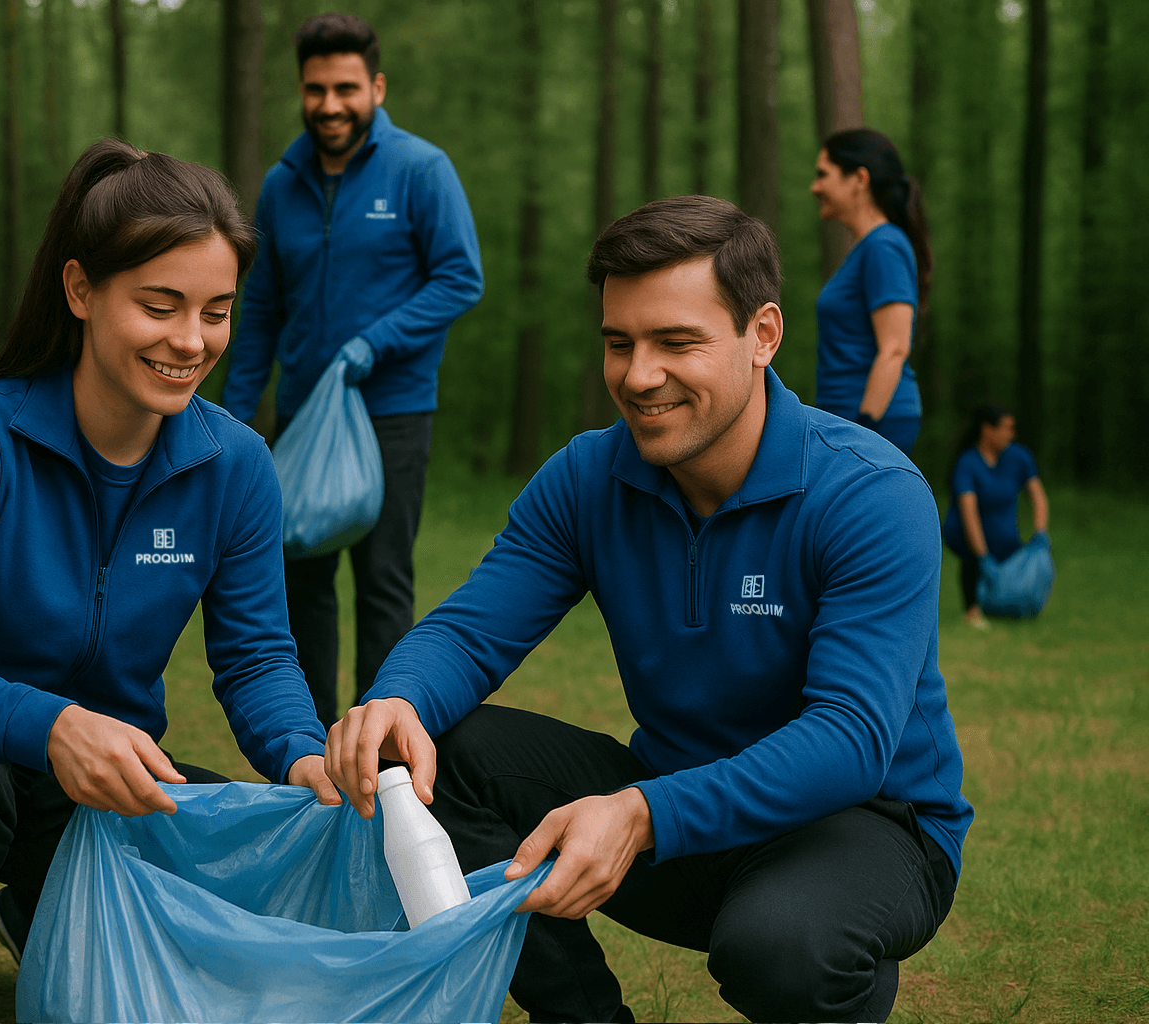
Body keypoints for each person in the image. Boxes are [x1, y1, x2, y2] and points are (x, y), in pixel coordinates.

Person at [326, 196, 972, 1023]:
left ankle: (825, 956)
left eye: (676, 342)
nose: (637, 376)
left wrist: (642, 813)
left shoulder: (870, 494)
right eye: (619, 343)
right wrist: (398, 698)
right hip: (679, 815)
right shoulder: (588, 479)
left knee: (782, 947)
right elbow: (470, 629)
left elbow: (850, 740)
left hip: (862, 823)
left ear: (762, 335)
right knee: (434, 754)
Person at [0, 139, 339, 1024]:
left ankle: (41, 909)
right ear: (80, 290)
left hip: (103, 779)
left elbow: (257, 657)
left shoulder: (238, 463)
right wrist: (54, 724)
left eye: (217, 312)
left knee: (226, 853)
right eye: (159, 306)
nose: (191, 341)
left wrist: (303, 754)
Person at [219, 12, 484, 727]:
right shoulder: (282, 184)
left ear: (377, 87)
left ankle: (381, 749)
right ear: (301, 91)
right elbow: (262, 308)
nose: (329, 105)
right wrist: (234, 417)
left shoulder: (420, 170)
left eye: (345, 88)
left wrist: (375, 342)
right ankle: (307, 749)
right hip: (301, 420)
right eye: (316, 89)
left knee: (382, 584)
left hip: (391, 414)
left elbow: (460, 277)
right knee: (297, 585)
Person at [810, 127, 932, 457]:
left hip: (873, 420)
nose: (814, 187)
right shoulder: (869, 247)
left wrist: (864, 430)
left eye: (823, 174)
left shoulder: (883, 246)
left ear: (859, 179)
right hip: (849, 417)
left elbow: (894, 348)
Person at [941, 404, 1049, 630]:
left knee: (1012, 573)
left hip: (1005, 532)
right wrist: (982, 555)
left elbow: (1038, 496)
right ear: (987, 430)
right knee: (973, 559)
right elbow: (968, 512)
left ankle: (1006, 606)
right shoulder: (968, 462)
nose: (1011, 434)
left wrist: (1040, 533)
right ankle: (972, 610)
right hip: (965, 531)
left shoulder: (1019, 457)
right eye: (1006, 428)